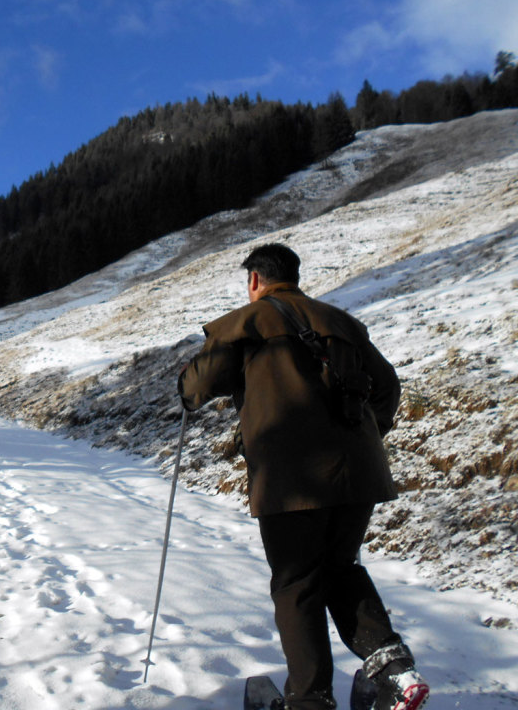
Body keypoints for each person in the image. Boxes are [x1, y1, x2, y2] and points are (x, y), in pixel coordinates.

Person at [178, 243, 429, 710]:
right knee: (338, 568)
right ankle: (395, 670)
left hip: (290, 480)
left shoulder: (247, 324)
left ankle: (309, 700)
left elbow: (195, 388)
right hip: (358, 475)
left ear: (255, 280)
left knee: (297, 584)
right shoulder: (342, 323)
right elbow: (388, 387)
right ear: (294, 275)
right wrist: (365, 434)